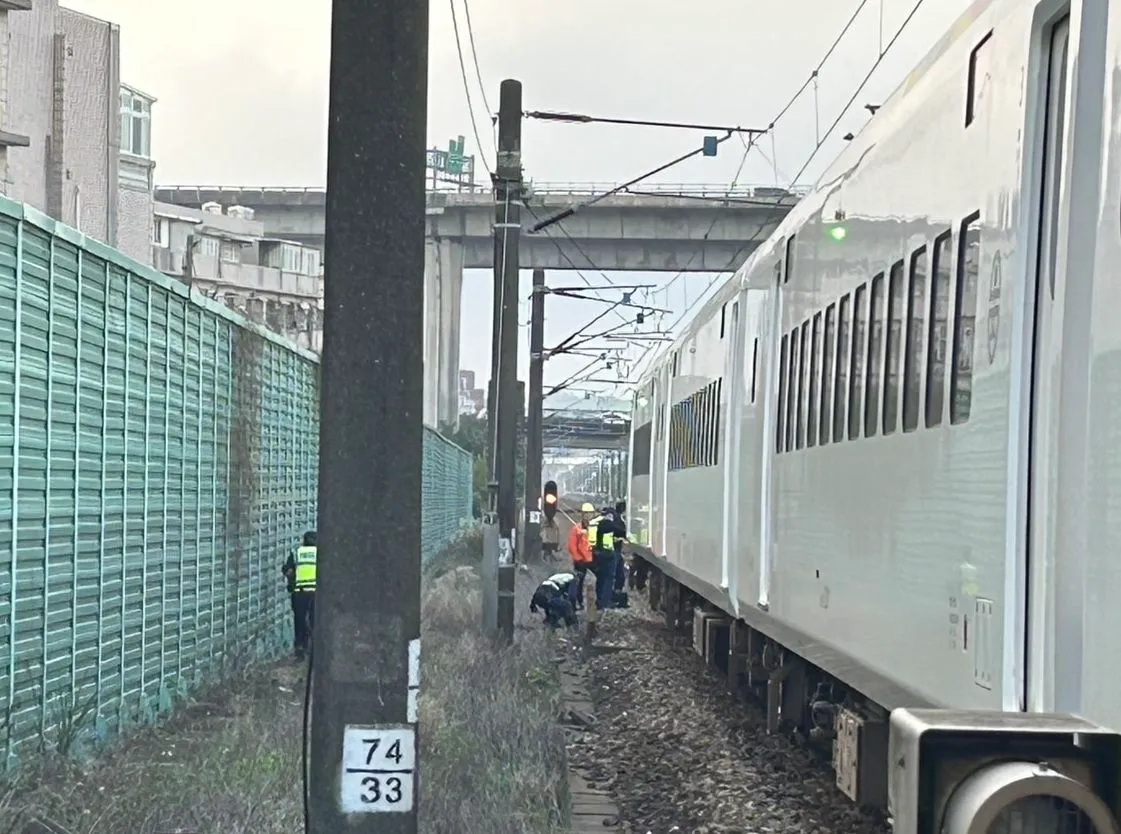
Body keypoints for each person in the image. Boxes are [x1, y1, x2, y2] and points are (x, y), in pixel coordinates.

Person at [282, 530, 318, 659]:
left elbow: (288, 571)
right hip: (316, 594)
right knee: (315, 621)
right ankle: (315, 650)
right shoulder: (322, 553)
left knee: (300, 620)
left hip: (299, 593)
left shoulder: (297, 553)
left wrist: (292, 581)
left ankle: (300, 648)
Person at [588, 507, 619, 611]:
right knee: (609, 578)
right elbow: (613, 537)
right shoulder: (608, 523)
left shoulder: (593, 522)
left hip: (595, 552)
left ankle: (600, 601)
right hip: (607, 552)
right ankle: (605, 602)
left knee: (600, 577)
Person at [567, 503, 595, 609]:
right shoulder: (576, 529)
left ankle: (591, 602)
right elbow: (572, 546)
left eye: (590, 514)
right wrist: (578, 558)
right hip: (581, 561)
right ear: (583, 515)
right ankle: (577, 602)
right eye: (586, 513)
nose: (588, 516)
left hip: (591, 559)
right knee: (578, 582)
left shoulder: (593, 528)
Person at [611, 500, 629, 608]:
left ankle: (616, 594)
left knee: (618, 574)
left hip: (615, 551)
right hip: (614, 551)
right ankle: (615, 595)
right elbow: (622, 532)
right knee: (618, 574)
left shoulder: (615, 518)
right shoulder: (618, 520)